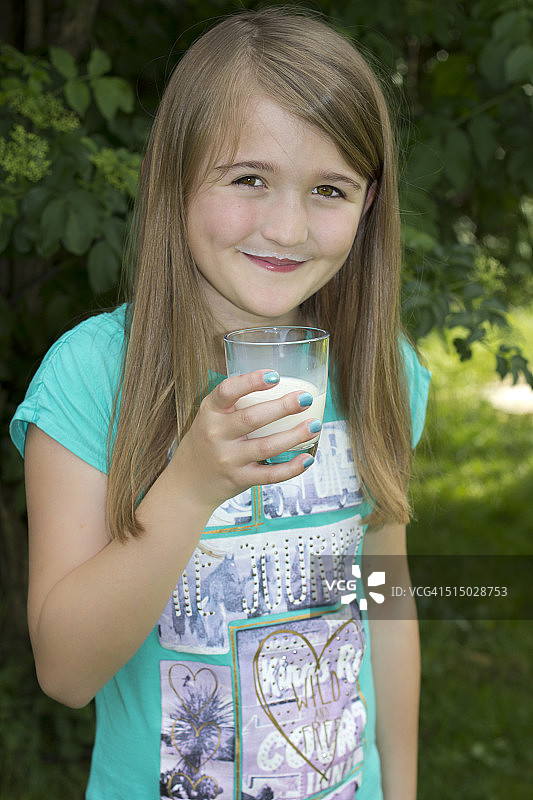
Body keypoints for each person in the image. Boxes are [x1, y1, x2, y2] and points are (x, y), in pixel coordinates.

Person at [10, 7, 430, 800]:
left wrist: (400, 789)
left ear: (369, 203)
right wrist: (193, 484)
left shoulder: (385, 372)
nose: (286, 225)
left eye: (329, 189)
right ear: (175, 175)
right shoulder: (92, 375)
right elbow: (65, 670)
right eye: (248, 179)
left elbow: (387, 601)